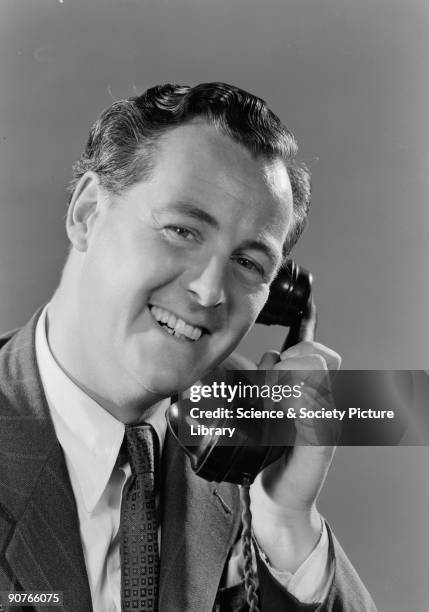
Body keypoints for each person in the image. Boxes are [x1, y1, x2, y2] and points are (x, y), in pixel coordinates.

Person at [0, 82, 376, 611]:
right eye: (182, 229)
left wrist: (286, 524)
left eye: (248, 263)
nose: (209, 290)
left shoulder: (239, 441)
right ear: (87, 213)